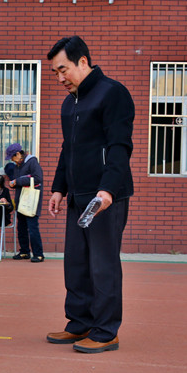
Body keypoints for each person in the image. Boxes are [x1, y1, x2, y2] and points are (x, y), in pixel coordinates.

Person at [46, 35, 134, 353]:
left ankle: (106, 330)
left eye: (63, 70)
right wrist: (58, 188)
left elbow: (119, 146)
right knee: (77, 263)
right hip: (78, 196)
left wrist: (108, 188)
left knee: (103, 264)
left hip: (105, 197)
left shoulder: (113, 93)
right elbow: (68, 149)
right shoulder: (70, 103)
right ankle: (79, 323)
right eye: (55, 72)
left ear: (83, 61)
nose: (60, 79)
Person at [6, 143, 45, 262]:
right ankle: (24, 251)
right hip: (21, 200)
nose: (12, 160)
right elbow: (19, 182)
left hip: (31, 201)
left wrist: (18, 181)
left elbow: (38, 178)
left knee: (32, 228)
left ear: (18, 154)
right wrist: (14, 183)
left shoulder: (32, 162)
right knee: (21, 227)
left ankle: (38, 254)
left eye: (13, 157)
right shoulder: (18, 166)